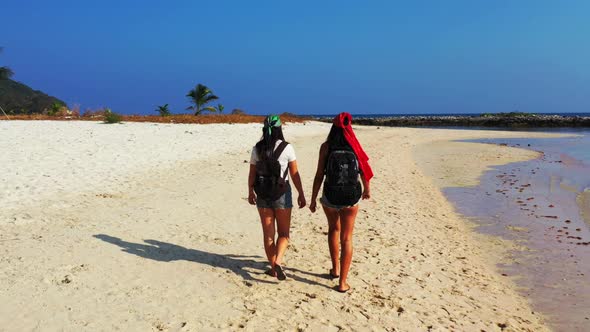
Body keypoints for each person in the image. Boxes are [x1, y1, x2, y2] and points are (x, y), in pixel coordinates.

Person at [309, 112, 373, 292]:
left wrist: (313, 198)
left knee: (333, 229)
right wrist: (367, 190)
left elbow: (319, 174)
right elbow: (363, 171)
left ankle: (335, 269)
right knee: (347, 237)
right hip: (351, 196)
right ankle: (342, 282)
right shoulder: (354, 146)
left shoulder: (326, 147)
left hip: (330, 195)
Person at [248, 115, 306, 280]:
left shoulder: (257, 149)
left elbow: (252, 173)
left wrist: (250, 192)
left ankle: (273, 268)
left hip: (263, 194)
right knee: (284, 234)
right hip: (282, 194)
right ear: (280, 129)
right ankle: (278, 262)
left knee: (268, 236)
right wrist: (301, 193)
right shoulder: (287, 148)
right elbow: (294, 173)